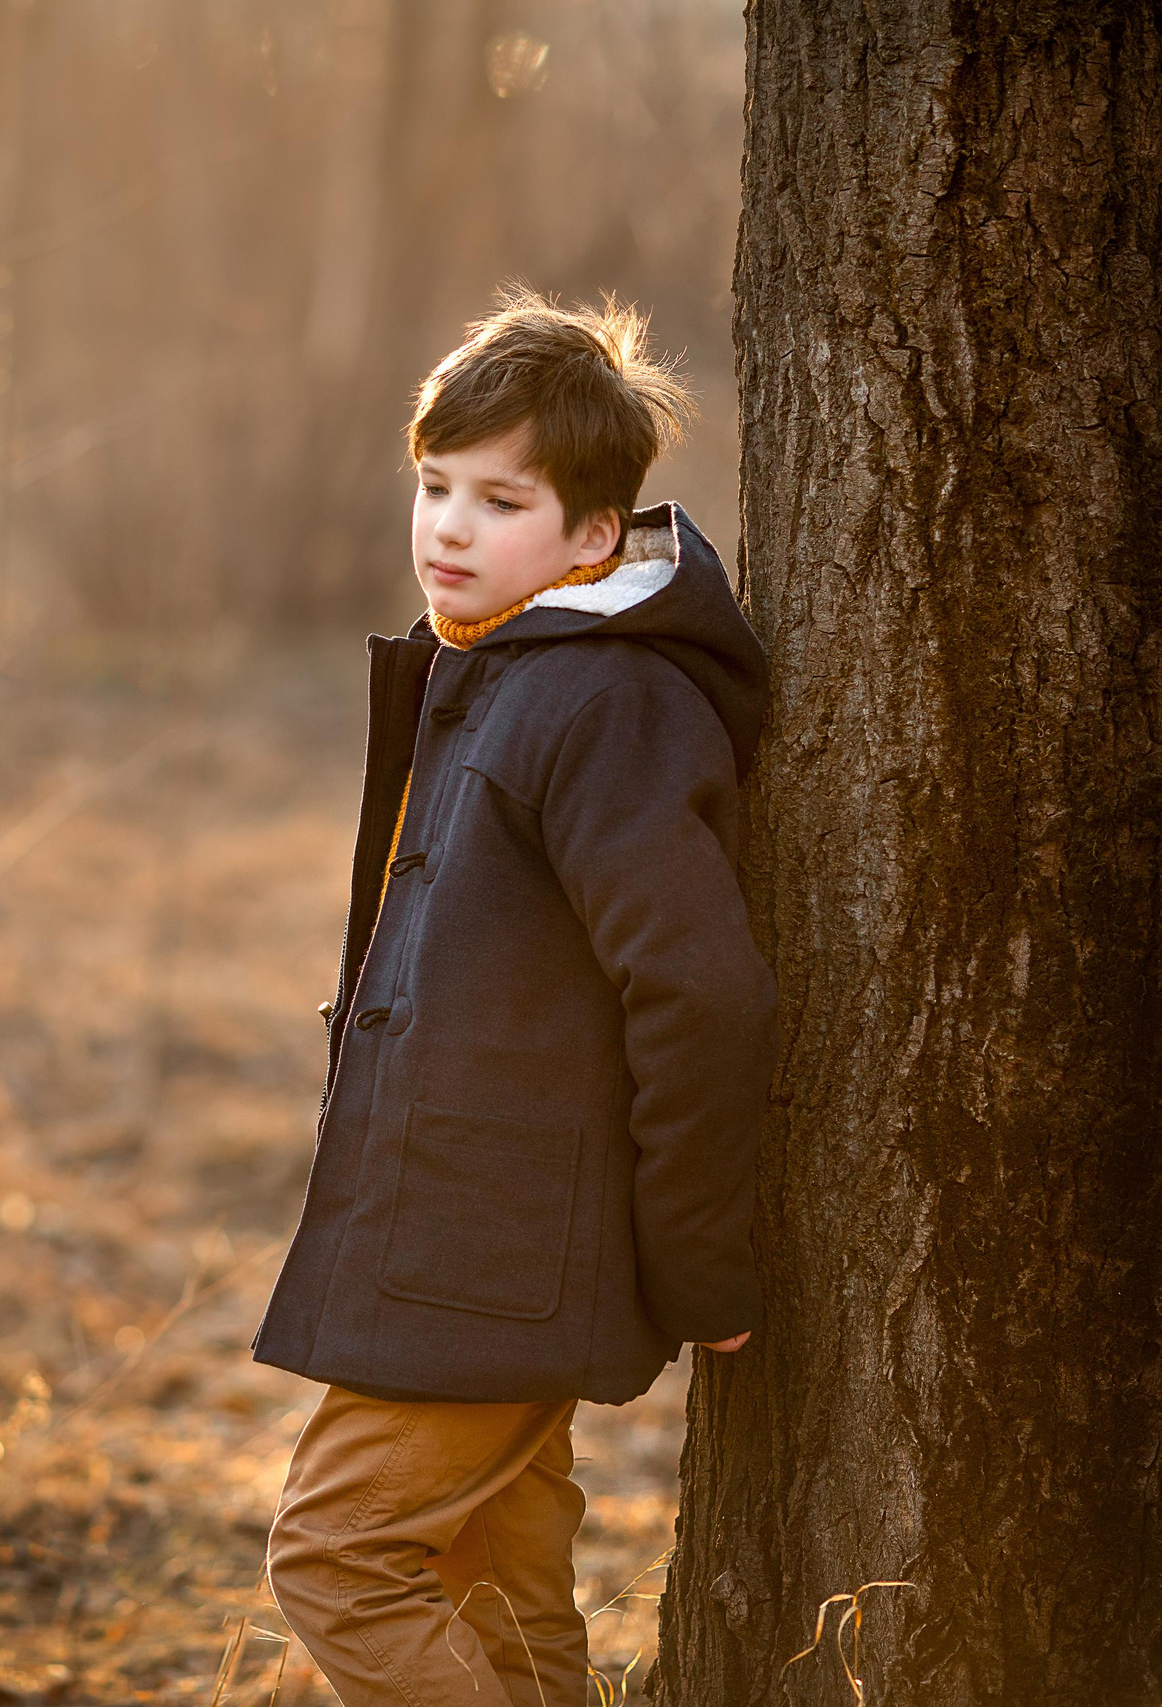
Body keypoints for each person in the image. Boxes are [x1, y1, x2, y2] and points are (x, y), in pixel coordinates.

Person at [249, 285, 773, 1706]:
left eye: (499, 499)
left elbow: (699, 992)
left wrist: (700, 1264)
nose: (448, 528)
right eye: (434, 487)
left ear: (595, 533)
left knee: (338, 1557)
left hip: (491, 1253)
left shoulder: (602, 699)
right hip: (462, 1237)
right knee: (496, 1575)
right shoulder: (505, 674)